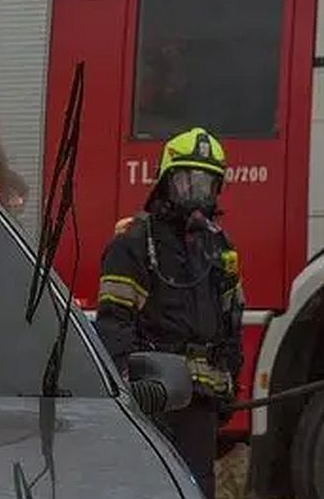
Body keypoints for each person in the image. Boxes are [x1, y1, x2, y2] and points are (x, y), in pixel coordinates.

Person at [96, 127, 243, 499]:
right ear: (165, 183)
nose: (196, 194)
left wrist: (229, 384)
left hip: (201, 400)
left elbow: (231, 323)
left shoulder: (218, 248)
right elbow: (114, 322)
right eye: (187, 182)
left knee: (197, 489)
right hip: (156, 397)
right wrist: (133, 386)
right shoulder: (133, 243)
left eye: (206, 184)